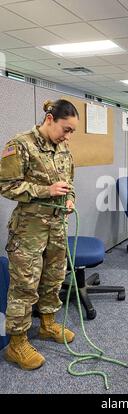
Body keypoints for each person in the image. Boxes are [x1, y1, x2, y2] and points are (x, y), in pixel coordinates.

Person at [0, 99, 79, 370]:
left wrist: (70, 200)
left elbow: (69, 185)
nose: (67, 136)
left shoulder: (64, 148)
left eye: (71, 132)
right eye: (65, 129)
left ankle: (47, 325)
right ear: (49, 119)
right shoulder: (21, 144)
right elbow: (6, 186)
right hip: (29, 230)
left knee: (54, 277)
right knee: (25, 285)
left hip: (57, 226)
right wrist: (46, 191)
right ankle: (17, 343)